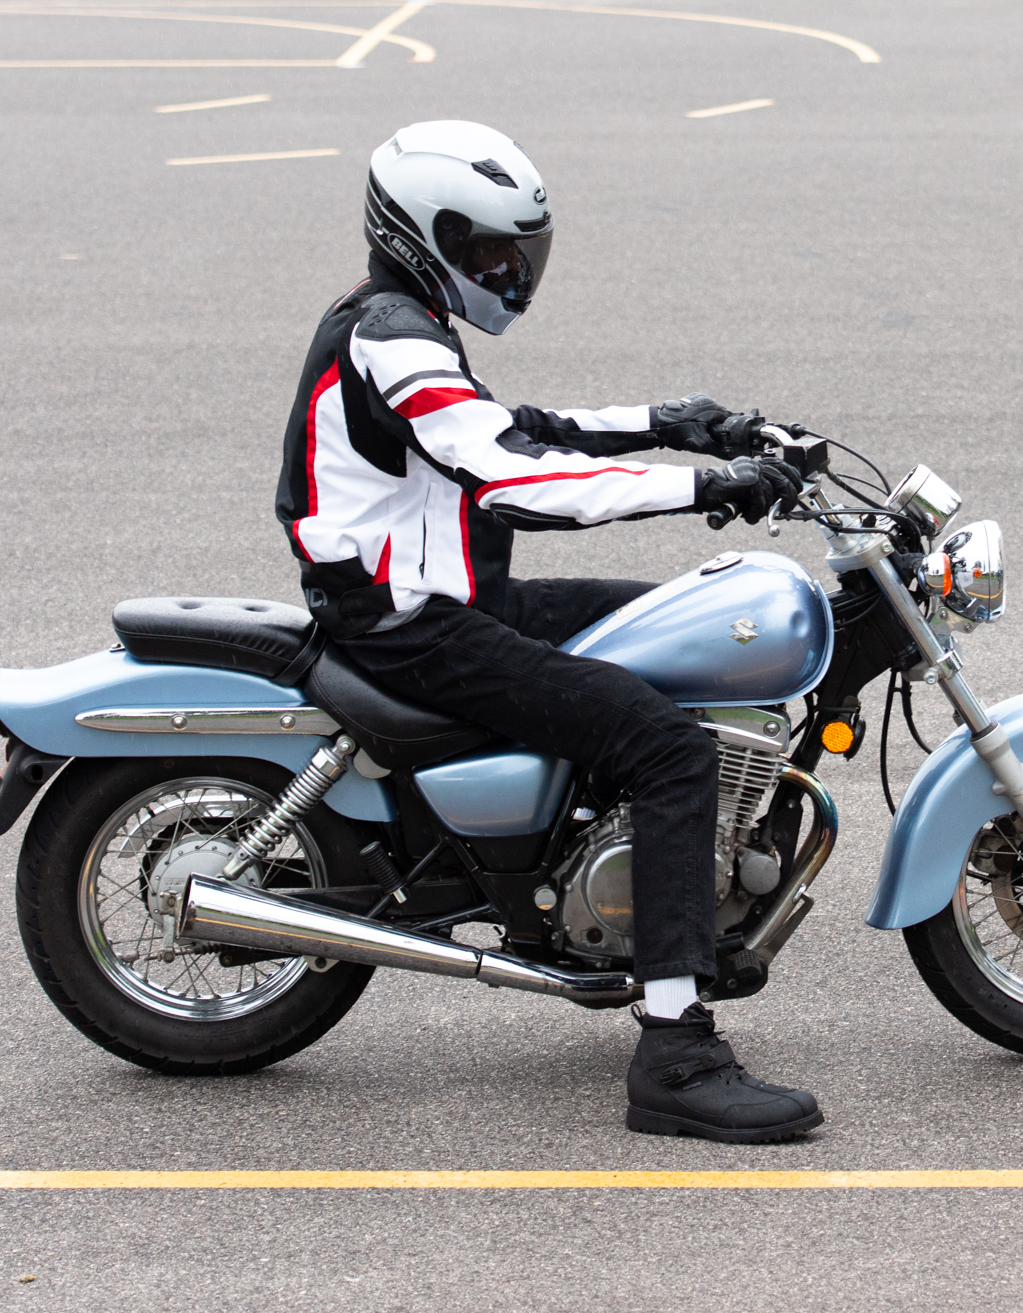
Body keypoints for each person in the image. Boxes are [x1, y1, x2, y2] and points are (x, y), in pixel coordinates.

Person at [275, 119, 820, 1144]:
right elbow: (517, 477)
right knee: (665, 743)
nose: (506, 270)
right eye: (486, 251)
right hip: (414, 625)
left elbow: (521, 426)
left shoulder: (408, 322)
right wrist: (706, 483)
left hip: (451, 598)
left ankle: (636, 887)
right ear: (420, 233)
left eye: (515, 253)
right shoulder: (390, 336)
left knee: (672, 622)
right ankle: (675, 1050)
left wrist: (680, 419)